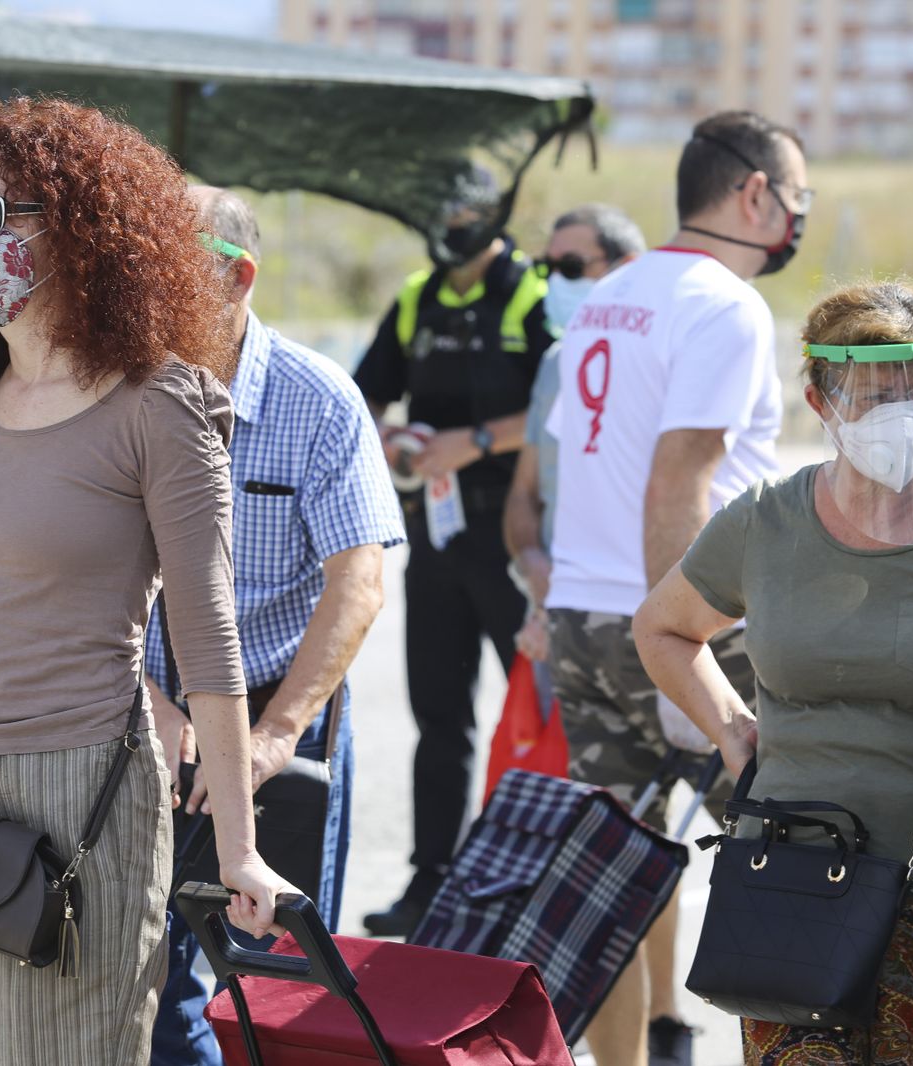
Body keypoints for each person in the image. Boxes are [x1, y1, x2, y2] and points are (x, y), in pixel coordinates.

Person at [0, 98, 288, 1066]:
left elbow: (207, 635)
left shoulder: (161, 403)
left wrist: (237, 849)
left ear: (80, 224)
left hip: (78, 785)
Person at [633, 278, 913, 1065]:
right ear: (819, 399)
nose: (904, 413)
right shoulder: (764, 519)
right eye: (875, 393)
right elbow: (662, 629)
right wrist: (734, 736)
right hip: (790, 877)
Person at [540, 111, 809, 1066]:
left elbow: (576, 461)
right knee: (786, 868)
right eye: (797, 198)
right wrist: (677, 630)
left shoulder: (610, 297)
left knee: (613, 871)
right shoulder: (726, 305)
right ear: (754, 195)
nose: (797, 217)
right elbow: (678, 478)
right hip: (680, 624)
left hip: (583, 615)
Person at [148, 187, 406, 1066]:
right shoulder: (122, 386)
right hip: (144, 708)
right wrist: (152, 697)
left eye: (166, 272)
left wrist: (268, 737)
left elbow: (359, 583)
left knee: (278, 990)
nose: (142, 295)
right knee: (146, 982)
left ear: (238, 278)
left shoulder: (321, 401)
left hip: (272, 712)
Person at [353, 167, 556, 936]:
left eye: (468, 211)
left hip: (515, 534)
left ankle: (530, 885)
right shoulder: (417, 296)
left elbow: (555, 402)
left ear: (497, 215)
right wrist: (391, 443)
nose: (453, 225)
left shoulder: (532, 293)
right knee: (438, 716)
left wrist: (468, 444)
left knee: (531, 712)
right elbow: (364, 395)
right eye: (442, 211)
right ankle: (430, 882)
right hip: (436, 538)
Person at [503, 203, 646, 662]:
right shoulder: (556, 362)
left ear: (627, 269)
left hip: (638, 624)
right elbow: (526, 491)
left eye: (570, 267)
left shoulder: (664, 364)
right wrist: (532, 564)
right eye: (547, 268)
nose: (554, 283)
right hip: (554, 624)